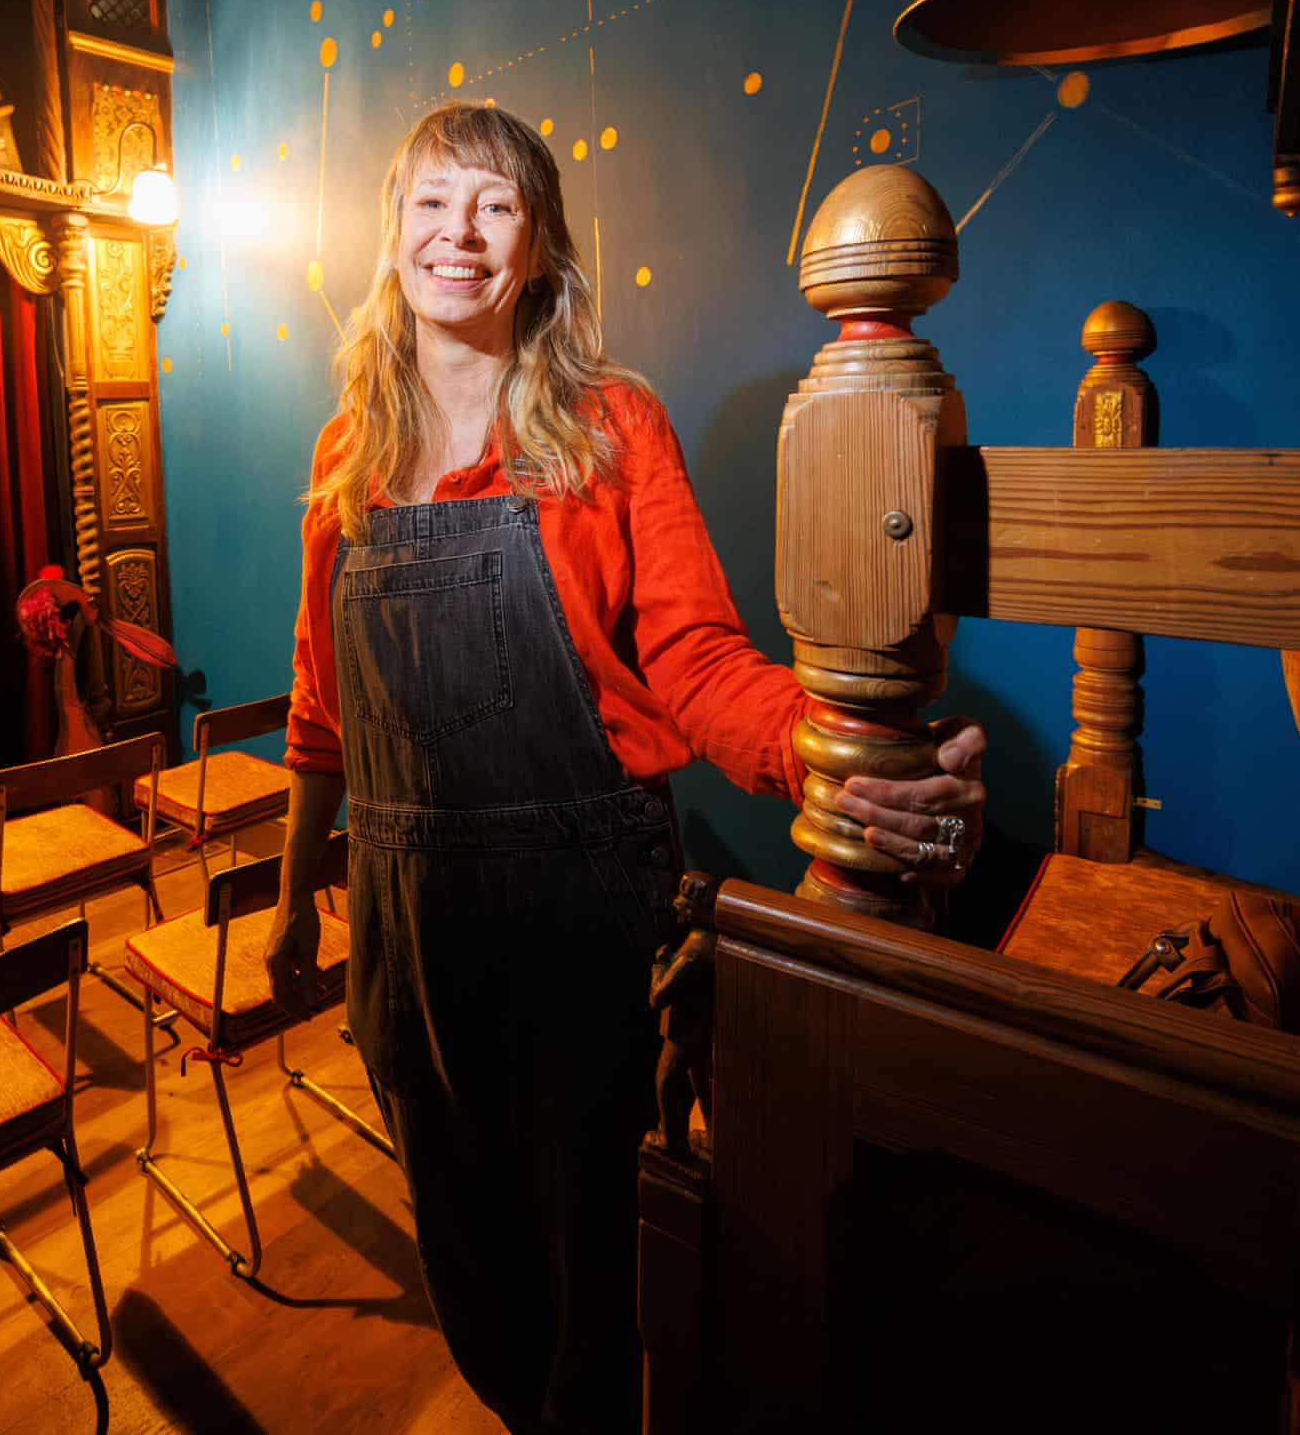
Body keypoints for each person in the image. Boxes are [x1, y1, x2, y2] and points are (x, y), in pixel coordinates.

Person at [261, 104, 987, 1433]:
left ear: (538, 247)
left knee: (597, 1275)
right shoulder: (344, 453)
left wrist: (829, 759)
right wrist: (297, 894)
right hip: (407, 929)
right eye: (434, 203)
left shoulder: (612, 423)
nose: (460, 234)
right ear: (394, 233)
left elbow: (696, 659)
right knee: (470, 1261)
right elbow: (323, 706)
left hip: (584, 915)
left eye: (495, 205)